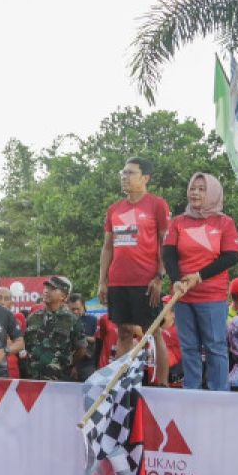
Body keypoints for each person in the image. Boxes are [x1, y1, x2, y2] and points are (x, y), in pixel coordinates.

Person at [163, 172, 238, 391]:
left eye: (201, 189)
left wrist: (199, 276)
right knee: (188, 347)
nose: (195, 193)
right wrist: (176, 280)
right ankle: (192, 392)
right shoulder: (178, 222)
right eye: (192, 188)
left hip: (212, 296)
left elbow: (231, 256)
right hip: (183, 295)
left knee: (215, 346)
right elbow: (168, 253)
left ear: (213, 192)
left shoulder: (225, 223)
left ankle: (218, 394)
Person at [98, 156, 169, 377]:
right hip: (118, 281)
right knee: (124, 332)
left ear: (145, 178)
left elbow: (165, 244)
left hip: (146, 280)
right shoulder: (114, 209)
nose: (124, 176)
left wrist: (159, 277)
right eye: (123, 172)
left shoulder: (157, 204)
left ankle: (162, 383)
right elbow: (107, 247)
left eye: (130, 173)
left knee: (153, 332)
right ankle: (119, 383)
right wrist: (102, 281)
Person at [20, 276, 86, 381]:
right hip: (32, 378)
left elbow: (81, 349)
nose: (46, 291)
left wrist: (66, 366)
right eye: (46, 288)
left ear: (63, 296)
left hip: (59, 380)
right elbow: (25, 344)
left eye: (53, 289)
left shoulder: (72, 320)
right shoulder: (32, 317)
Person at [67, 292, 98, 381]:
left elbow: (97, 339)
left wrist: (81, 337)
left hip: (87, 364)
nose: (75, 312)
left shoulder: (92, 320)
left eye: (78, 309)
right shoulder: (63, 321)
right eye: (72, 309)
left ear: (83, 306)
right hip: (68, 364)